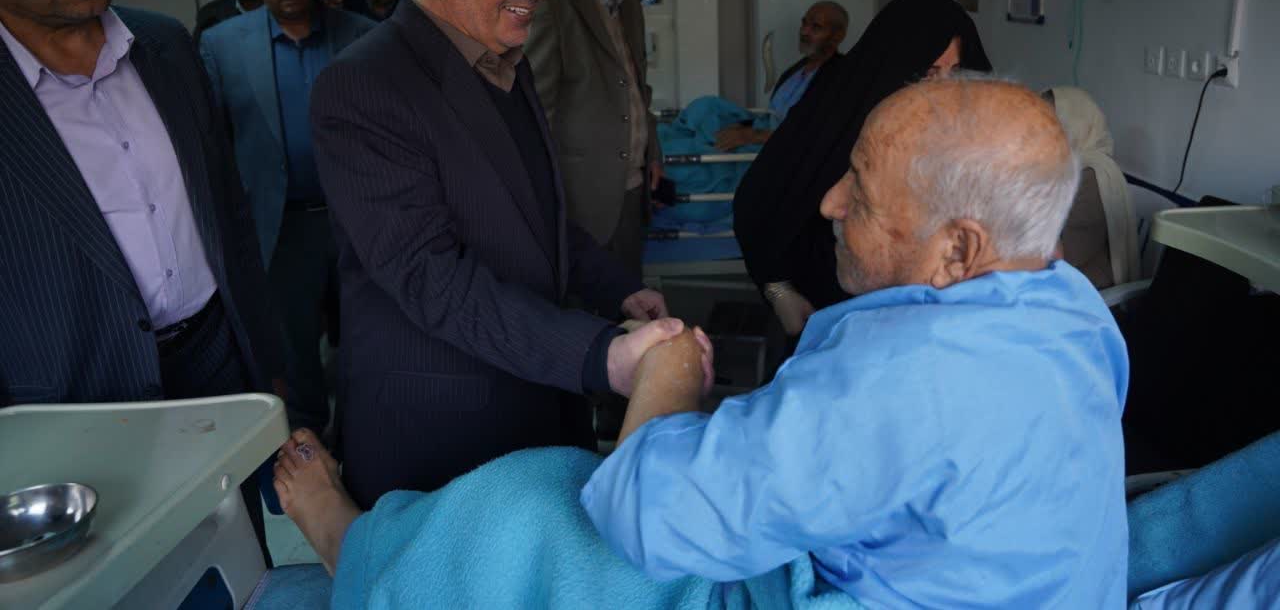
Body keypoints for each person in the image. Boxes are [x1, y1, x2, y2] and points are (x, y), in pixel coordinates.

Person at [273, 76, 1129, 609]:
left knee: (541, 498)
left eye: (862, 193)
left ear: (958, 250)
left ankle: (364, 558)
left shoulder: (904, 383)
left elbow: (641, 515)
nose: (830, 202)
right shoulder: (1070, 308)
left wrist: (670, 376)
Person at [308, 0, 678, 508]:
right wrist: (600, 355)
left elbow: (537, 215)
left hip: (533, 400)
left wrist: (616, 288)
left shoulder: (504, 59)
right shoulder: (365, 86)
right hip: (446, 432)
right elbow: (429, 275)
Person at [0, 0, 284, 559]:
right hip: (76, 400)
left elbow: (227, 217)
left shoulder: (165, 47)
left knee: (236, 564)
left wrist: (268, 367)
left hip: (215, 368)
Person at [201, 0, 376, 434]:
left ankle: (363, 445)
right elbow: (214, 147)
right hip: (279, 229)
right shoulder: (222, 46)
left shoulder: (362, 36)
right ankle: (306, 451)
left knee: (366, 345)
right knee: (293, 355)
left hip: (356, 223)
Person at [734, 0, 992, 334]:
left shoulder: (972, 136)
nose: (943, 89)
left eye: (956, 72)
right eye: (928, 73)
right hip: (833, 314)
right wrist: (778, 288)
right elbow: (757, 201)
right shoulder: (839, 114)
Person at [526, 0, 662, 277]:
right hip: (581, 199)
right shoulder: (551, 1)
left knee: (629, 296)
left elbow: (636, 86)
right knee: (587, 303)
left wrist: (653, 149)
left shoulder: (628, 1)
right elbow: (538, 107)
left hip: (631, 187)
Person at [714, 0, 848, 152]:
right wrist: (742, 126)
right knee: (706, 108)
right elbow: (773, 115)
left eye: (816, 27)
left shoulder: (841, 78)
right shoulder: (796, 70)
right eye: (804, 23)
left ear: (837, 36)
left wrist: (752, 135)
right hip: (760, 134)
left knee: (702, 153)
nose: (804, 31)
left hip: (781, 151)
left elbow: (816, 134)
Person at [1045, 86, 1141, 290]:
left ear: (1076, 126)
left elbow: (1067, 258)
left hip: (1087, 283)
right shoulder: (1062, 167)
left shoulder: (1092, 177)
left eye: (1050, 124)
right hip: (1060, 272)